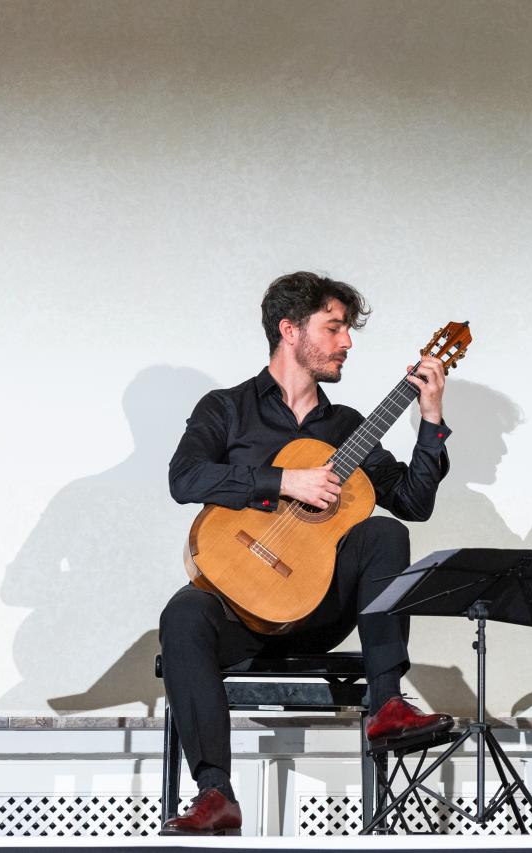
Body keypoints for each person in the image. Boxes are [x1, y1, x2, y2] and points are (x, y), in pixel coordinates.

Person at [158, 271, 454, 835]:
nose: (347, 342)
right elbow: (185, 477)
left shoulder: (347, 428)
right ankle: (215, 796)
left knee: (385, 533)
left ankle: (388, 707)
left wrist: (431, 419)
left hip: (317, 609)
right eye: (334, 328)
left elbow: (413, 503)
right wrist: (283, 481)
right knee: (183, 612)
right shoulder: (227, 409)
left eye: (347, 330)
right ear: (290, 330)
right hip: (238, 612)